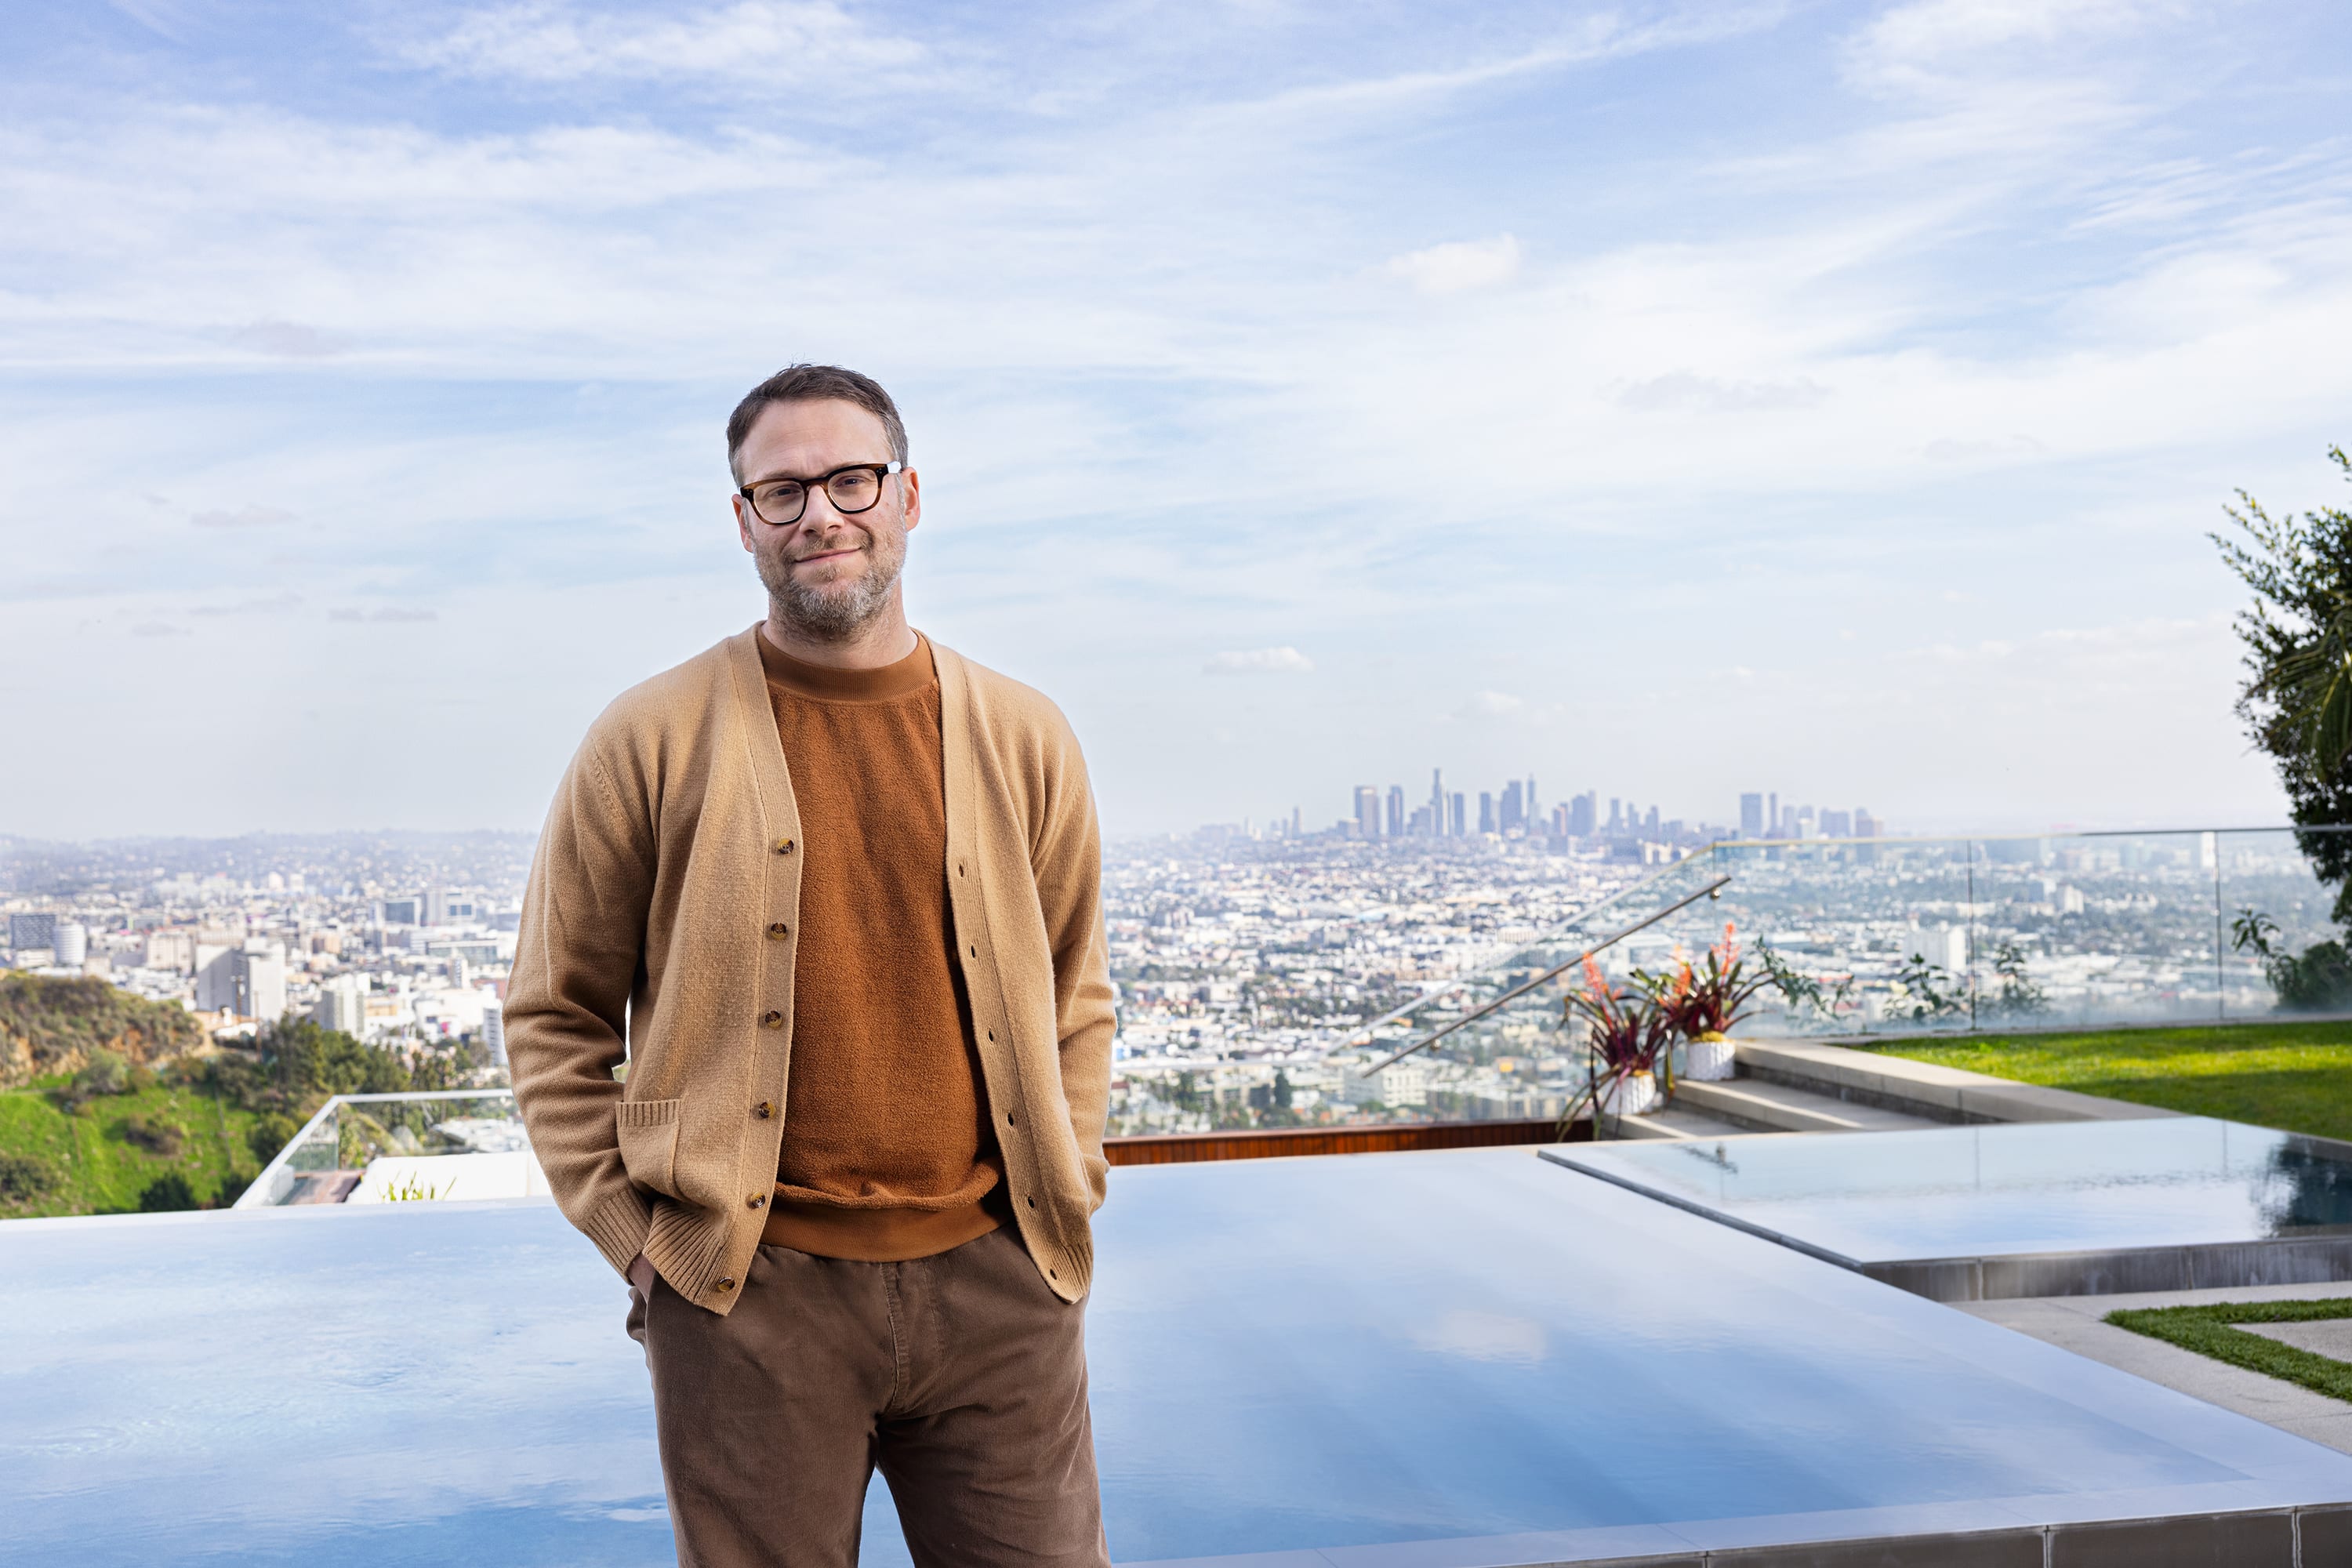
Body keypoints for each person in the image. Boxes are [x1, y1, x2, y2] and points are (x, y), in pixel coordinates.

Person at [506, 364, 1116, 1568]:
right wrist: (644, 1248)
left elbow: (1076, 991)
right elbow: (552, 1013)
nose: (820, 515)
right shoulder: (649, 738)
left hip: (1003, 1290)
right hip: (745, 1301)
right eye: (780, 491)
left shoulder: (1025, 734)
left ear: (909, 496)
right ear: (741, 521)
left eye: (850, 479)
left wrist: (1070, 1178)